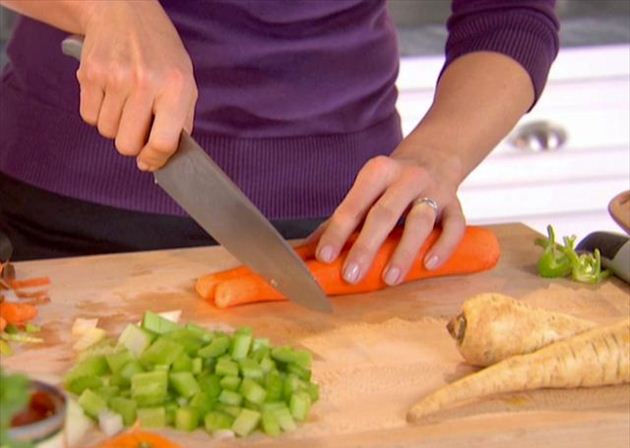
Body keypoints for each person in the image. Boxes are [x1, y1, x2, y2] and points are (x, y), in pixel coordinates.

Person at [0, 0, 559, 287]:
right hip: (59, 216)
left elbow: (508, 14)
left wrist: (437, 156)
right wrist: (108, 8)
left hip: (340, 231)